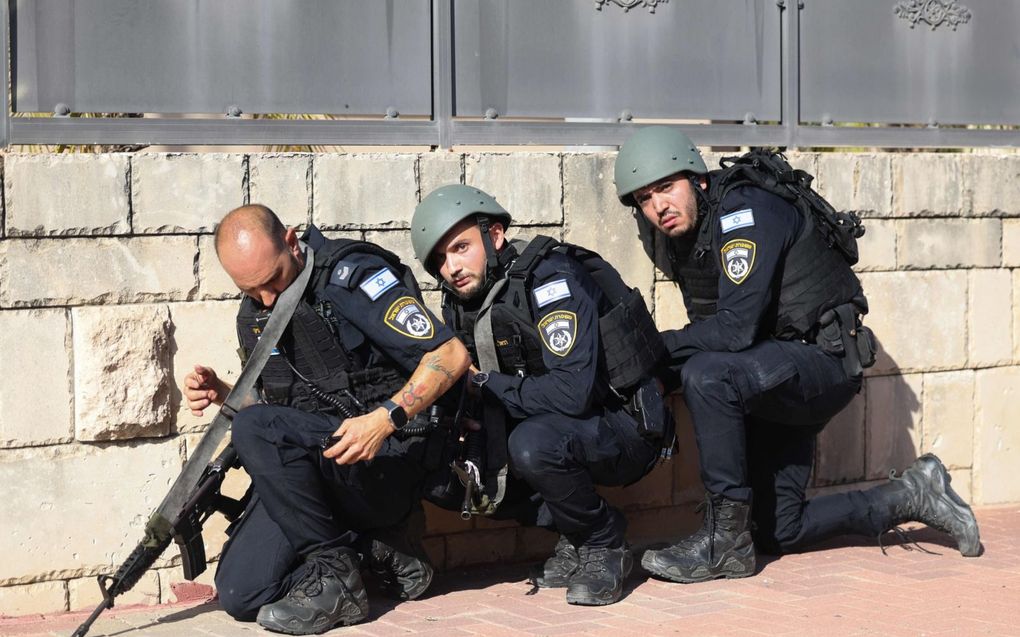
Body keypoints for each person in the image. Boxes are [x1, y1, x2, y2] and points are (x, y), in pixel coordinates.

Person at [612, 126, 981, 584]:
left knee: (707, 373)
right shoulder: (689, 235)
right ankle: (911, 495)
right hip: (770, 370)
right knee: (779, 529)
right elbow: (715, 332)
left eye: (666, 187)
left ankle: (723, 542)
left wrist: (648, 353)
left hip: (820, 364)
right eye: (645, 199)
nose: (658, 206)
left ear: (698, 180)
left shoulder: (744, 212)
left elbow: (732, 331)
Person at [183, 204, 470, 634]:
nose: (265, 298)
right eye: (250, 290)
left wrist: (385, 418)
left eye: (271, 281)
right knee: (241, 592)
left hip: (385, 464)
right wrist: (225, 394)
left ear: (292, 242)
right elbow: (277, 415)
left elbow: (452, 354)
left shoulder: (351, 277)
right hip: (323, 471)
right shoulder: (257, 310)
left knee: (253, 428)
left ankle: (338, 582)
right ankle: (375, 553)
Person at [408, 185, 661, 606]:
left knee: (531, 444)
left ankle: (602, 541)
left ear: (495, 235)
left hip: (622, 427)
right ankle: (575, 532)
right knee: (440, 456)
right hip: (557, 425)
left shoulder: (551, 278)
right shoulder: (464, 298)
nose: (451, 267)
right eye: (439, 260)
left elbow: (572, 393)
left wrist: (484, 384)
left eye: (460, 247)